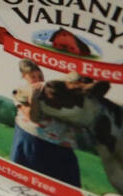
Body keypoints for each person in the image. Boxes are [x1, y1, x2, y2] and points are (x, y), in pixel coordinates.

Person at [12, 59, 81, 187]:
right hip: (33, 143)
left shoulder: (51, 89)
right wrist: (34, 98)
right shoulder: (20, 92)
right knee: (27, 182)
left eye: (40, 75)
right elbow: (33, 117)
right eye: (33, 77)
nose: (38, 79)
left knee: (67, 187)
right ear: (24, 77)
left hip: (61, 145)